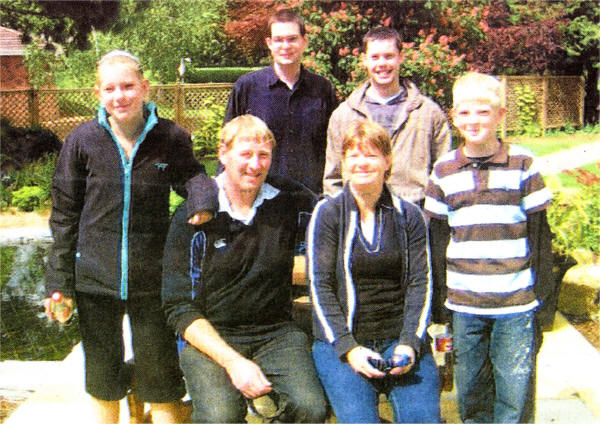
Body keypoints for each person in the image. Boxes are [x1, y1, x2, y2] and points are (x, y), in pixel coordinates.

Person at [44, 50, 216, 424]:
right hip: (94, 280)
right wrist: (58, 284)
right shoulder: (81, 141)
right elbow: (63, 216)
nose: (119, 95)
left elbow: (194, 177)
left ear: (144, 87)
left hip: (150, 279)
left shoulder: (170, 137)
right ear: (98, 92)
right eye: (110, 88)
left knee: (161, 378)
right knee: (103, 379)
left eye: (128, 86)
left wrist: (203, 202)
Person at [162, 114, 328, 423]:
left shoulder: (286, 203)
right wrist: (235, 363)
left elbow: (330, 218)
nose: (255, 164)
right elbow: (178, 306)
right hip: (211, 337)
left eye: (263, 155)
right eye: (246, 154)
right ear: (223, 153)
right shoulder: (194, 216)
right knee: (220, 417)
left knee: (311, 407)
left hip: (276, 333)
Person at [424, 72, 555, 423]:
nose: (474, 121)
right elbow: (437, 244)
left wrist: (544, 305)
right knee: (471, 394)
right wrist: (441, 305)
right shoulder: (443, 171)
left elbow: (542, 240)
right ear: (454, 117)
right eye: (465, 113)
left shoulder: (524, 165)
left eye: (484, 112)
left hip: (515, 304)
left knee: (515, 396)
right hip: (465, 305)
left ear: (500, 115)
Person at [308, 119, 440, 423]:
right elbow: (320, 285)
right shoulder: (328, 214)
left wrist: (410, 342)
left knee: (423, 419)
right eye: (354, 155)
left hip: (399, 338)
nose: (362, 163)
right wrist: (348, 348)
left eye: (371, 155)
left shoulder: (410, 216)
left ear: (387, 161)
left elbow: (422, 282)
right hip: (343, 343)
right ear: (343, 163)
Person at [323, 26, 451, 206]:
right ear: (364, 61)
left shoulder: (428, 113)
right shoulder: (344, 115)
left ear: (401, 57)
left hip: (413, 214)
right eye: (375, 57)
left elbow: (444, 173)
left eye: (389, 56)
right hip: (359, 215)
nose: (382, 63)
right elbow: (333, 179)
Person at [224, 9, 337, 195]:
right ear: (269, 43)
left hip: (310, 199)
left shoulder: (322, 89)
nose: (285, 46)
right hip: (260, 201)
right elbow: (229, 147)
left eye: (292, 39)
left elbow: (334, 148)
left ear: (304, 41)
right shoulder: (247, 87)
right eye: (278, 39)